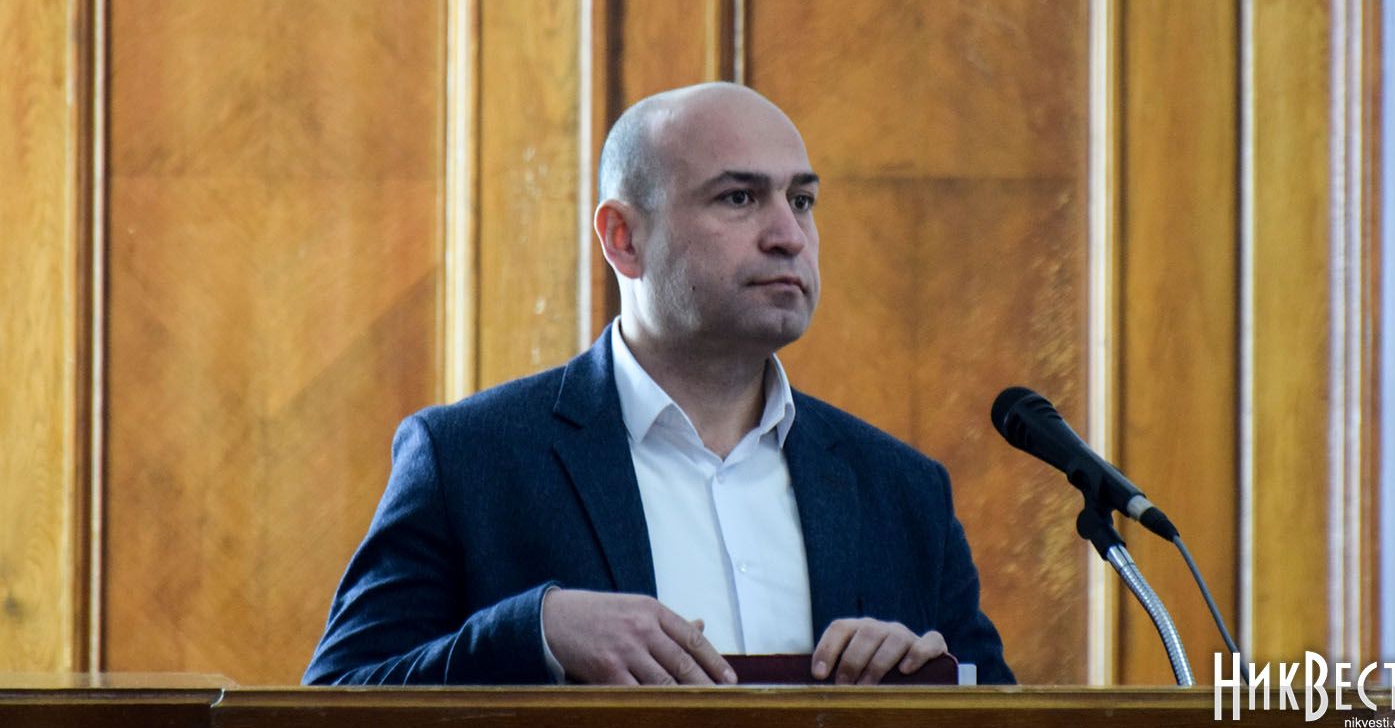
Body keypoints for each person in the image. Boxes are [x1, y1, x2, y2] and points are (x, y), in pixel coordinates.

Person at [303, 82, 1013, 686]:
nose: (789, 236)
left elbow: (1002, 711)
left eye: (801, 200)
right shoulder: (468, 458)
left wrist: (936, 682)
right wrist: (537, 633)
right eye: (739, 198)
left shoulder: (901, 488)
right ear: (624, 238)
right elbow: (334, 702)